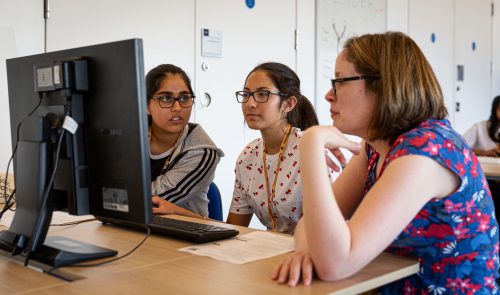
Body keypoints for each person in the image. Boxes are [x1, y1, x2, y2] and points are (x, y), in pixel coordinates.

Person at [272, 32, 499, 293]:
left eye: (340, 82)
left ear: (384, 85)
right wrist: (309, 253)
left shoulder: (425, 152)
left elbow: (336, 263)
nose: (328, 95)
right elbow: (309, 226)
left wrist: (311, 145)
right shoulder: (375, 148)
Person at [226, 62, 334, 234]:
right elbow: (234, 229)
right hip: (270, 252)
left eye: (263, 94)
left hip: (311, 252)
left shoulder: (310, 151)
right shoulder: (248, 156)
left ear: (288, 104)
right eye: (246, 94)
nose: (250, 103)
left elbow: (327, 231)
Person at [146, 64, 224, 219]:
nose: (177, 107)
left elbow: (153, 202)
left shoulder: (203, 152)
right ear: (146, 105)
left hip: (185, 236)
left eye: (184, 98)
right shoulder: (129, 137)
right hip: (132, 228)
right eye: (166, 98)